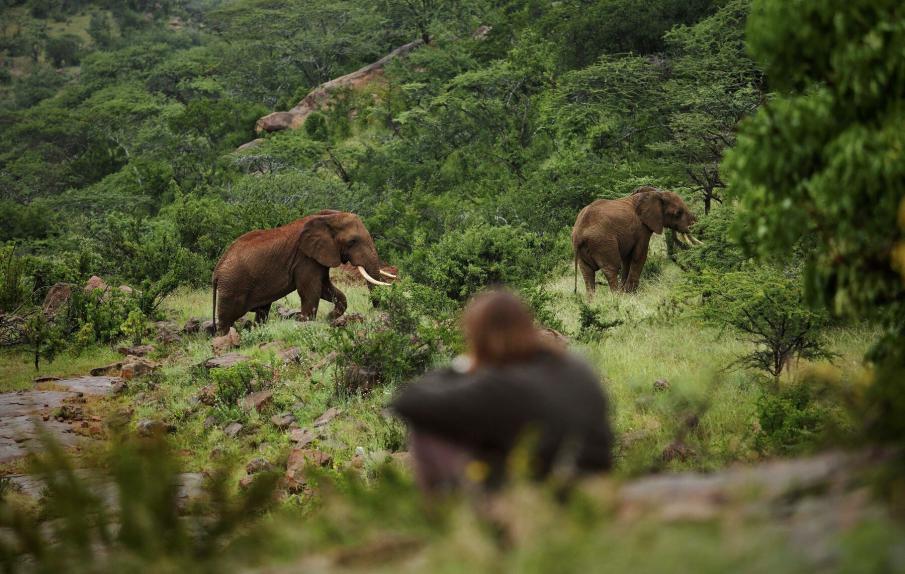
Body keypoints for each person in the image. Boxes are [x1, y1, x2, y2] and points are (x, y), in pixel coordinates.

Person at [390, 289, 613, 494]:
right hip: (595, 481)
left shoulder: (500, 384)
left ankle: (444, 516)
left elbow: (407, 402)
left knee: (426, 430)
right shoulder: (578, 366)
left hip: (545, 493)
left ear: (477, 338)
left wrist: (462, 365)